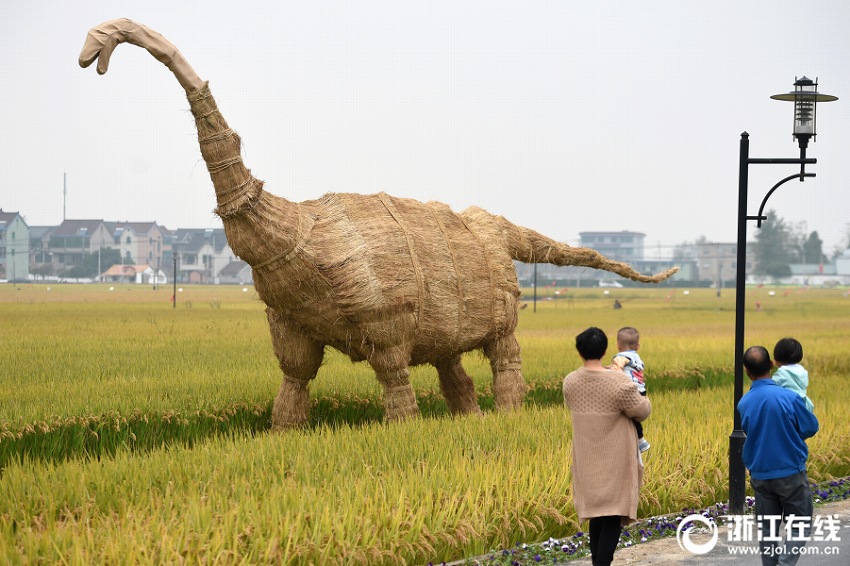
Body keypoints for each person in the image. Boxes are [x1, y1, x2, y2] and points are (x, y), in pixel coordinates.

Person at [563, 327, 651, 566]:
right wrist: (642, 392)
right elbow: (642, 412)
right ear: (605, 351)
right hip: (615, 458)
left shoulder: (570, 382)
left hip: (587, 459)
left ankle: (597, 563)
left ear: (580, 352)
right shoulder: (619, 382)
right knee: (612, 514)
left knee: (597, 515)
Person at [738, 346, 819, 566]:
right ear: (771, 365)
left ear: (747, 372)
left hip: (760, 475)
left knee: (768, 529)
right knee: (800, 524)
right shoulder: (789, 397)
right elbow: (810, 427)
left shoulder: (744, 403)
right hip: (790, 471)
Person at [611, 327, 650, 452]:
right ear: (638, 346)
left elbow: (617, 367)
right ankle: (640, 440)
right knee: (633, 418)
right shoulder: (636, 358)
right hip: (641, 391)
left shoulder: (620, 357)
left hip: (629, 392)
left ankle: (635, 441)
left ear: (618, 344)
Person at [772, 337, 814, 413]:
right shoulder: (802, 371)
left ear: (777, 357)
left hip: (788, 407)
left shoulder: (781, 373)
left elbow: (771, 389)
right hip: (803, 405)